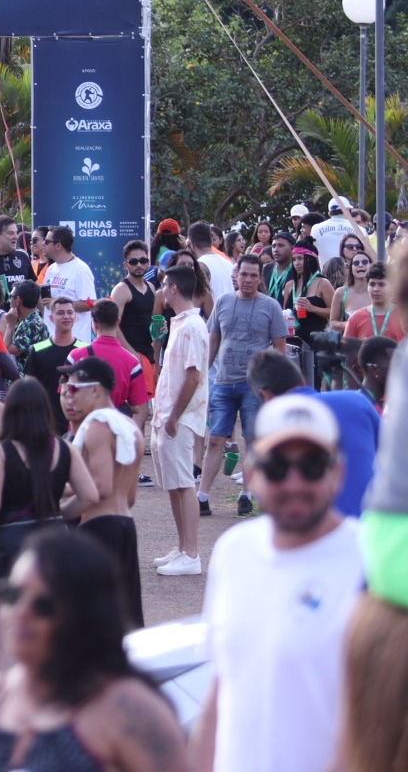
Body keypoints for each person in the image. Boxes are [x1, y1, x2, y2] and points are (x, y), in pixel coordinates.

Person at [189, 394, 362, 772]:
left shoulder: (370, 564)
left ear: (339, 473)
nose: (295, 482)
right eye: (278, 466)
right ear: (251, 473)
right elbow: (222, 689)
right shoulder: (233, 551)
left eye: (313, 466)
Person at [0, 530, 189, 772]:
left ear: (83, 614)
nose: (20, 612)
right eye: (12, 594)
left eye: (42, 605)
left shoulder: (130, 710)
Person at [0, 379, 97, 597]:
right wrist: (59, 514)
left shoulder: (0, 451)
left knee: (6, 627)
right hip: (55, 539)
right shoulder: (64, 448)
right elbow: (89, 495)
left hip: (9, 543)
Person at [58, 356, 145, 630]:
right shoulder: (130, 428)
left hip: (98, 528)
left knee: (90, 623)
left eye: (73, 389)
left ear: (95, 390)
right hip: (124, 525)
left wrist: (56, 508)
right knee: (124, 620)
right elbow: (128, 496)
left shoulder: (97, 426)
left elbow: (100, 487)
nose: (68, 396)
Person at [199, 253, 287, 519]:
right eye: (243, 274)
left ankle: (246, 495)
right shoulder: (223, 302)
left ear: (261, 278)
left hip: (254, 385)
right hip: (223, 382)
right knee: (215, 440)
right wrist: (205, 375)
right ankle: (202, 496)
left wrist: (273, 385)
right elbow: (213, 340)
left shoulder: (271, 306)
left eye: (252, 275)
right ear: (235, 276)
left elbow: (279, 349)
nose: (247, 280)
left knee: (252, 440)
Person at [248, 348, 382, 519]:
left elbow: (267, 497)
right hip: (378, 527)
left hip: (312, 532)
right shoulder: (357, 401)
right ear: (303, 380)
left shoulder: (271, 424)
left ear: (265, 397)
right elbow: (394, 457)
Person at [153, 265, 210, 576]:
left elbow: (193, 376)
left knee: (184, 483)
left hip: (181, 417)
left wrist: (174, 416)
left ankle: (192, 553)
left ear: (173, 288)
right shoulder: (180, 323)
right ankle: (182, 546)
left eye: (164, 285)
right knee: (174, 484)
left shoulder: (191, 326)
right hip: (168, 414)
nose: (162, 290)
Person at [69, 299, 149, 422]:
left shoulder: (75, 356)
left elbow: (66, 395)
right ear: (118, 322)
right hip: (115, 431)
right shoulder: (132, 362)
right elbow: (136, 407)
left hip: (82, 430)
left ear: (95, 324)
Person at [21, 297, 86, 427]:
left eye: (69, 312)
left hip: (77, 423)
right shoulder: (37, 349)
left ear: (75, 317)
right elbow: (29, 390)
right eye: (60, 313)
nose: (66, 316)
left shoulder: (85, 350)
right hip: (45, 424)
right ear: (51, 318)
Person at [39, 226, 96, 339]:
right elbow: (47, 304)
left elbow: (91, 304)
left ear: (58, 246)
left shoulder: (81, 270)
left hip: (75, 342)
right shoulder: (51, 268)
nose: (42, 244)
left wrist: (59, 303)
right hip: (52, 339)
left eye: (46, 241)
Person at [109, 239, 158, 359]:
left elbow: (153, 322)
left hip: (148, 354)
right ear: (125, 265)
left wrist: (161, 328)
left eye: (143, 260)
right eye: (134, 262)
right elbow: (112, 326)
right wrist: (132, 353)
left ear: (148, 262)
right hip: (128, 356)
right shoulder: (121, 290)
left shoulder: (151, 287)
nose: (139, 265)